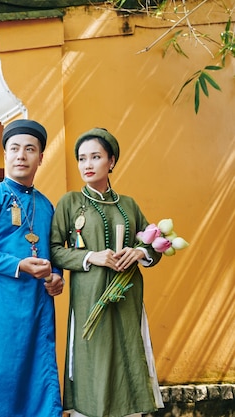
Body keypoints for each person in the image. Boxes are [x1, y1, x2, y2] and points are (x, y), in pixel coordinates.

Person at [50, 128, 164, 417]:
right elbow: (54, 250)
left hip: (127, 297)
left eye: (96, 157)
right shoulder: (71, 203)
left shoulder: (128, 205)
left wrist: (139, 252)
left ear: (111, 161)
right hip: (89, 298)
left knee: (128, 353)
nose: (87, 165)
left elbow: (153, 245)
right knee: (94, 358)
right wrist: (91, 256)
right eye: (82, 158)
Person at [0, 119, 65, 417]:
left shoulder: (47, 206)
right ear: (5, 154)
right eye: (15, 148)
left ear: (40, 158)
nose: (21, 155)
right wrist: (18, 264)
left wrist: (57, 277)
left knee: (37, 378)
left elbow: (54, 253)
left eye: (30, 149)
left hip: (36, 308)